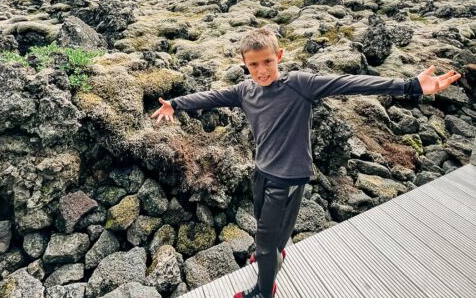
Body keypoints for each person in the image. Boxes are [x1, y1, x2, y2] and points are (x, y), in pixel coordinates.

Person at [151, 27, 462, 298]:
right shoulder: (245, 90)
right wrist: (176, 104)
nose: (262, 71)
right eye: (254, 64)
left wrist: (410, 85)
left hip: (288, 176)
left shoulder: (300, 84)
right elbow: (212, 97)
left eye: (268, 62)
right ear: (244, 64)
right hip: (262, 170)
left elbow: (348, 82)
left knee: (264, 239)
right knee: (266, 225)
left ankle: (264, 289)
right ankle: (275, 254)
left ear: (280, 55)